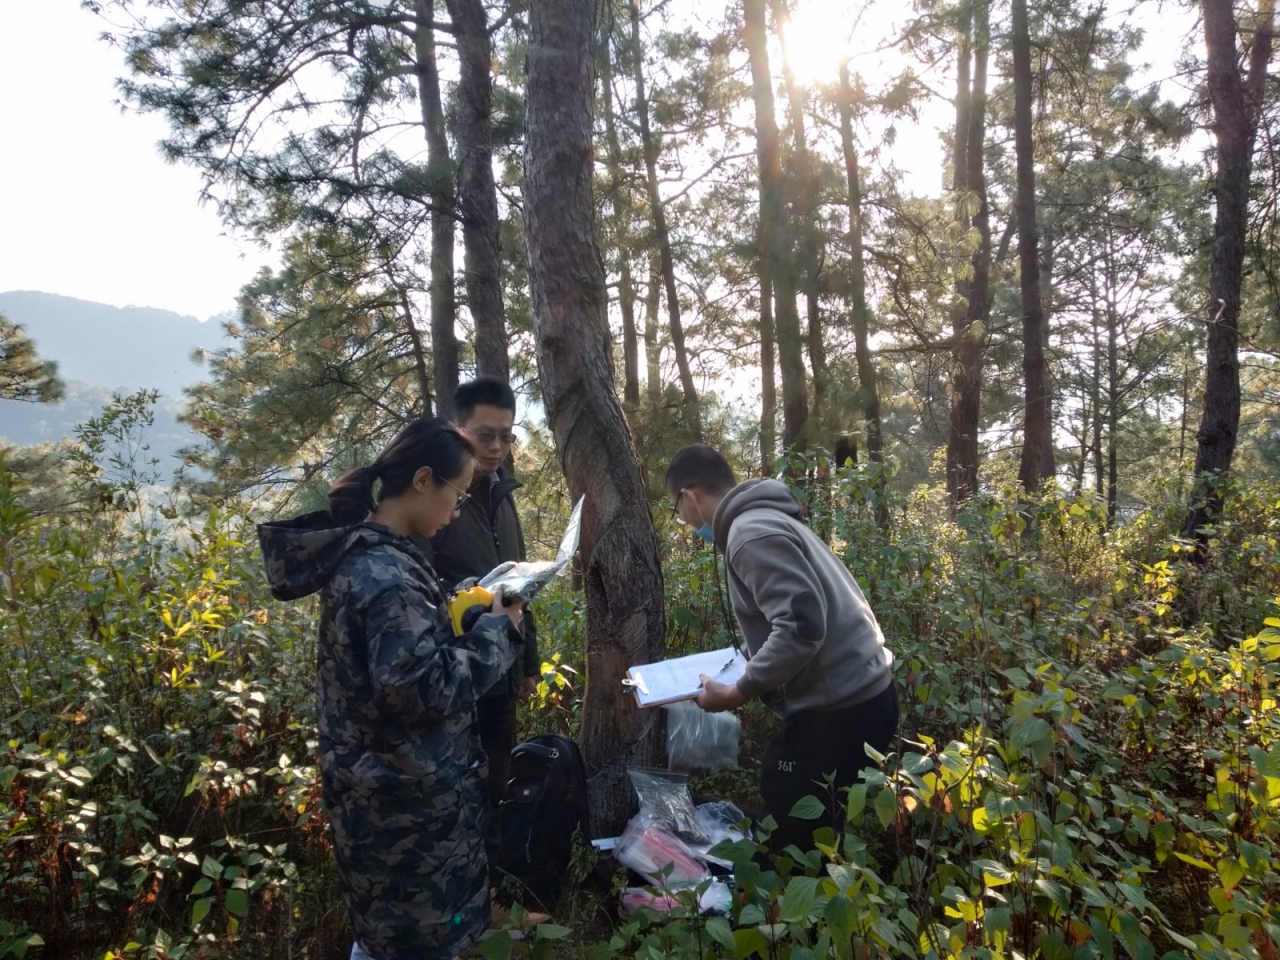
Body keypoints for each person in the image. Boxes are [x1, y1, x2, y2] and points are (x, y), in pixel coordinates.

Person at [258, 418, 525, 960]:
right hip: (405, 815)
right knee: (413, 943)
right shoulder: (386, 575)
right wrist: (499, 634)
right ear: (424, 480)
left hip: (391, 800)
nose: (458, 509)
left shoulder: (381, 557)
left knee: (389, 938)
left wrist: (464, 614)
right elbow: (417, 691)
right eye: (458, 493)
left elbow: (400, 662)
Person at [665, 444, 899, 853]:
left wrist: (737, 692)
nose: (685, 523)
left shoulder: (748, 534)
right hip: (861, 696)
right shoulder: (765, 520)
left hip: (842, 709)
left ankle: (796, 912)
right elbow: (793, 616)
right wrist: (739, 662)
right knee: (815, 826)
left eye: (678, 512)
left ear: (689, 497)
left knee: (791, 828)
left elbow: (801, 628)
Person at [420, 378, 540, 889]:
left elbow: (518, 589)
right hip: (455, 678)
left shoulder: (503, 496)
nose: (495, 447)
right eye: (483, 435)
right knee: (456, 796)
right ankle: (461, 898)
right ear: (457, 429)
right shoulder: (438, 498)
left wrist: (528, 661)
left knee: (494, 785)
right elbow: (424, 594)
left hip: (500, 671)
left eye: (506, 437)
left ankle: (487, 894)